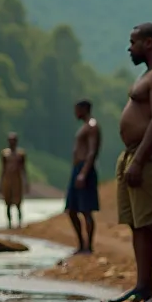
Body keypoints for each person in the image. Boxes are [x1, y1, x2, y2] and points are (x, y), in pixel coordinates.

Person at [108, 23, 152, 302]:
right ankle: (143, 286)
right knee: (138, 223)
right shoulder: (148, 75)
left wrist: (139, 160)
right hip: (134, 153)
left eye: (133, 42)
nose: (130, 48)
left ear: (148, 43)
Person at [65, 100, 101, 254]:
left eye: (77, 109)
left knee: (86, 210)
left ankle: (89, 246)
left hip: (84, 169)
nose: (75, 112)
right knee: (71, 210)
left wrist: (83, 173)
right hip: (78, 168)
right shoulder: (85, 127)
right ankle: (81, 244)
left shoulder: (92, 126)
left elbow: (92, 152)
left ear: (84, 109)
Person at [0, 132, 28, 228]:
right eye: (10, 141)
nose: (12, 143)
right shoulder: (5, 154)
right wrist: (0, 183)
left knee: (18, 203)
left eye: (13, 141)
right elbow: (3, 168)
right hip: (7, 180)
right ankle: (9, 224)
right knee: (7, 203)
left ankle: (19, 223)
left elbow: (24, 169)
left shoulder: (21, 154)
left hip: (17, 180)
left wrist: (26, 182)